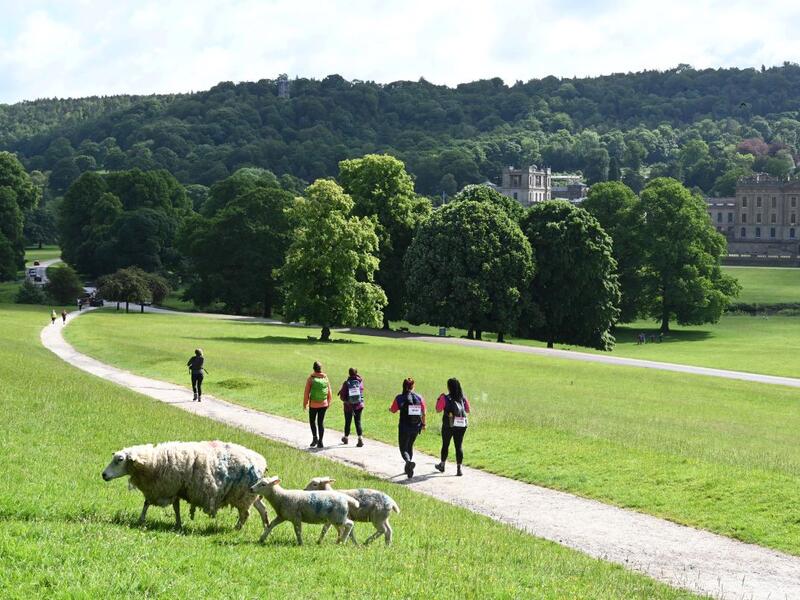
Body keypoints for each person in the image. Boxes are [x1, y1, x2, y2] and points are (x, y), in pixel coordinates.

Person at [390, 377, 426, 478]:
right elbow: (424, 412)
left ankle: (408, 462)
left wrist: (390, 409)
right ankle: (408, 468)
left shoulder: (400, 398)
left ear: (404, 386)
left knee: (403, 448)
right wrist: (424, 424)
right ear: (413, 386)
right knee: (410, 446)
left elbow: (393, 410)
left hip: (404, 427)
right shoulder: (419, 397)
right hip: (416, 427)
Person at [434, 378, 471, 477]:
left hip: (448, 425)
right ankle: (459, 469)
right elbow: (468, 410)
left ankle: (442, 465)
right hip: (461, 425)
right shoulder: (463, 398)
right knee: (458, 446)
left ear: (449, 387)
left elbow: (438, 410)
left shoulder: (445, 398)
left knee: (445, 445)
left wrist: (439, 399)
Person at [304, 361, 332, 448]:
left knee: (312, 422)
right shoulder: (325, 378)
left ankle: (315, 438)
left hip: (313, 405)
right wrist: (328, 402)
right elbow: (329, 391)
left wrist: (305, 403)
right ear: (321, 369)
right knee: (320, 423)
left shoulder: (311, 379)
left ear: (313, 368)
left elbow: (306, 393)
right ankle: (320, 442)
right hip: (324, 404)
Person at [338, 367, 364, 447]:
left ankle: (346, 438)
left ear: (349, 373)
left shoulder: (346, 383)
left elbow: (342, 396)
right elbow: (361, 391)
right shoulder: (360, 382)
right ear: (357, 373)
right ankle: (360, 439)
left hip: (348, 406)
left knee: (348, 422)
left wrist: (344, 399)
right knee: (358, 422)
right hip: (359, 405)